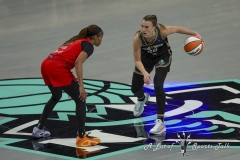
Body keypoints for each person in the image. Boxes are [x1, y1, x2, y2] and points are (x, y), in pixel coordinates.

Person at [32, 24, 104, 147]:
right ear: (95, 37)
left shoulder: (76, 41)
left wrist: (72, 87)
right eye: (101, 37)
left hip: (46, 64)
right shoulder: (88, 46)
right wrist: (80, 86)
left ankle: (39, 128)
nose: (101, 40)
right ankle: (81, 137)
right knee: (81, 99)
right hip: (57, 68)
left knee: (56, 96)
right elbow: (78, 62)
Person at [131, 15, 202, 135]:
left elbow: (178, 29)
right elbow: (137, 61)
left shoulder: (162, 31)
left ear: (154, 27)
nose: (143, 29)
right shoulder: (138, 38)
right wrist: (145, 73)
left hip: (162, 57)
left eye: (147, 27)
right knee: (134, 88)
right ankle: (142, 99)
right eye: (142, 26)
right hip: (145, 59)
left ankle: (160, 122)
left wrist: (195, 33)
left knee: (158, 85)